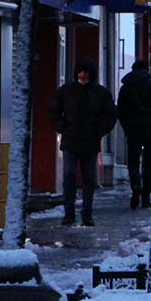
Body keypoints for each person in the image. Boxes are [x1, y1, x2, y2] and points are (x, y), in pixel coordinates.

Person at [49, 59, 117, 227]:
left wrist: (97, 131)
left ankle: (86, 214)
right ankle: (69, 213)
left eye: (86, 72)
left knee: (88, 179)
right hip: (72, 140)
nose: (83, 76)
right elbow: (54, 111)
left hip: (89, 142)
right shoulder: (66, 91)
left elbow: (110, 116)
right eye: (80, 72)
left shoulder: (100, 93)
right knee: (69, 175)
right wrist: (62, 127)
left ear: (91, 74)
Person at [117, 60, 151, 209]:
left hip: (133, 130)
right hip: (150, 130)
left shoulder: (126, 87)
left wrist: (127, 128)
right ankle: (146, 197)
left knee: (133, 162)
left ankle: (136, 185)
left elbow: (121, 111)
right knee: (149, 164)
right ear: (147, 69)